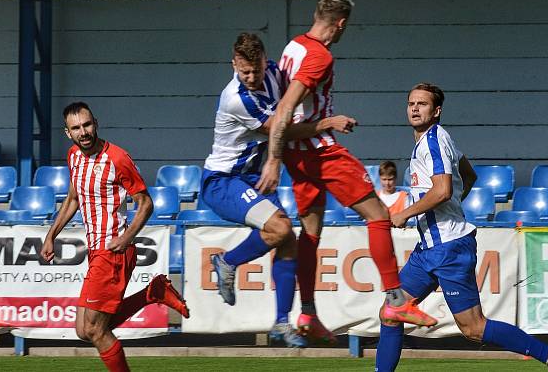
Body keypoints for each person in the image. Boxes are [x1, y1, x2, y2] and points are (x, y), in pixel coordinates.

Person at [258, 0, 437, 345]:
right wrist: (277, 158)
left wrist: (283, 153)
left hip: (297, 153)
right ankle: (395, 298)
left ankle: (307, 312)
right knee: (378, 214)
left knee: (311, 233)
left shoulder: (292, 46)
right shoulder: (319, 56)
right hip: (317, 152)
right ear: (340, 24)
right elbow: (285, 110)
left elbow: (285, 109)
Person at [374, 82, 548, 372]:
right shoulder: (436, 140)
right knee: (390, 311)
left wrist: (406, 213)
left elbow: (442, 190)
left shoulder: (434, 141)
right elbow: (469, 175)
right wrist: (451, 204)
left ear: (436, 110)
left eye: (422, 104)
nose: (415, 108)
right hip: (428, 249)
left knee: (474, 329)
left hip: (449, 249)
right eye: (411, 103)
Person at [203, 32, 357, 347]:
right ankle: (228, 261)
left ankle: (282, 323)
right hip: (224, 180)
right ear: (234, 64)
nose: (250, 77)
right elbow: (281, 129)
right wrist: (325, 124)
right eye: (244, 71)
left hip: (256, 176)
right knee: (281, 228)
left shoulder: (275, 73)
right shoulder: (236, 98)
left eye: (255, 70)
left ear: (264, 61)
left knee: (289, 240)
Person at [42, 102, 189, 372]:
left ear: (95, 123)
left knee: (94, 331)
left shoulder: (117, 158)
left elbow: (145, 203)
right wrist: (52, 235)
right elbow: (74, 198)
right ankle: (151, 293)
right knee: (83, 330)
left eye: (87, 125)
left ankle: (152, 295)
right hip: (96, 251)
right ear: (68, 133)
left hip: (114, 251)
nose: (83, 132)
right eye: (76, 128)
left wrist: (126, 238)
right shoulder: (74, 155)